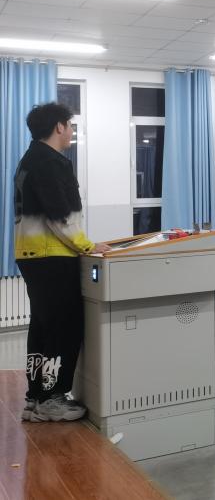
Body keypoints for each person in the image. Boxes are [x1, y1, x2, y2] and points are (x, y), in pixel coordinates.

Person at [15, 102, 111, 422]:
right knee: (64, 326)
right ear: (59, 126)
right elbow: (59, 215)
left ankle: (36, 397)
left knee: (43, 326)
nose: (71, 131)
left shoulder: (30, 159)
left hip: (32, 254)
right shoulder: (50, 162)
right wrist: (86, 245)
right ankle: (53, 399)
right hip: (52, 256)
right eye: (70, 125)